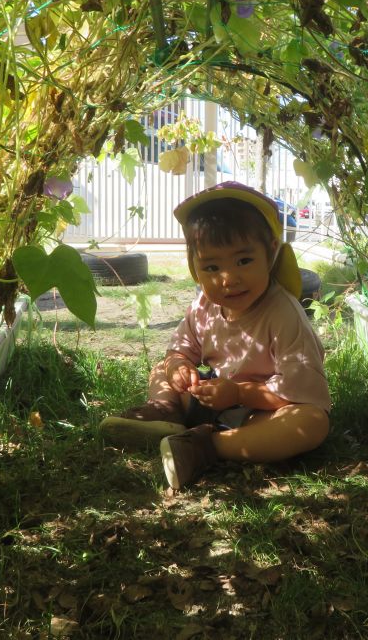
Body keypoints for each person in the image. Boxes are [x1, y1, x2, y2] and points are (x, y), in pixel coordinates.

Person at [98, 182, 331, 488]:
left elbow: (299, 391)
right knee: (161, 369)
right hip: (209, 398)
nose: (228, 278)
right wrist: (179, 368)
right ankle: (165, 414)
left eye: (244, 261)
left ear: (271, 253)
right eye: (211, 266)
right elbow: (180, 348)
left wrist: (238, 394)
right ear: (195, 268)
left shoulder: (284, 315)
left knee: (312, 423)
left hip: (259, 411)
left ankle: (205, 447)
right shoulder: (205, 306)